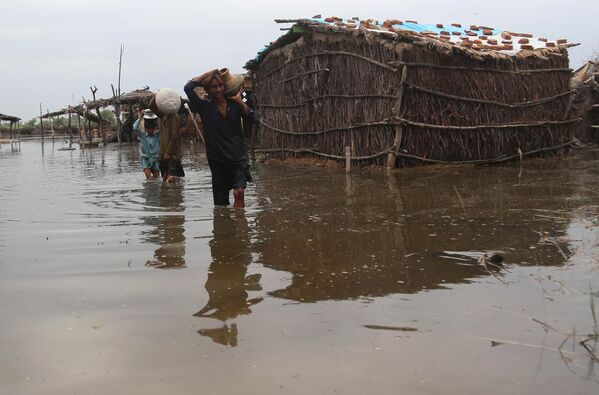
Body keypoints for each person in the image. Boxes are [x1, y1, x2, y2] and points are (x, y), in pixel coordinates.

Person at [184, 69, 258, 208]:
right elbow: (188, 88)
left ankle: (241, 225)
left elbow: (254, 119)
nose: (218, 89)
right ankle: (226, 229)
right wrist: (209, 73)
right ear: (207, 89)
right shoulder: (204, 107)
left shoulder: (235, 105)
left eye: (220, 86)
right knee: (221, 205)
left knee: (239, 192)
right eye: (214, 87)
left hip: (238, 157)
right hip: (218, 160)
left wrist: (239, 101)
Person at [133, 108, 160, 179]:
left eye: (152, 129)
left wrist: (159, 116)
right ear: (146, 129)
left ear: (155, 128)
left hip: (155, 159)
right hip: (146, 159)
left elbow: (163, 127)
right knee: (149, 179)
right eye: (149, 129)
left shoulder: (157, 135)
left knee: (157, 179)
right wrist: (141, 117)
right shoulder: (143, 135)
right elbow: (135, 128)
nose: (150, 131)